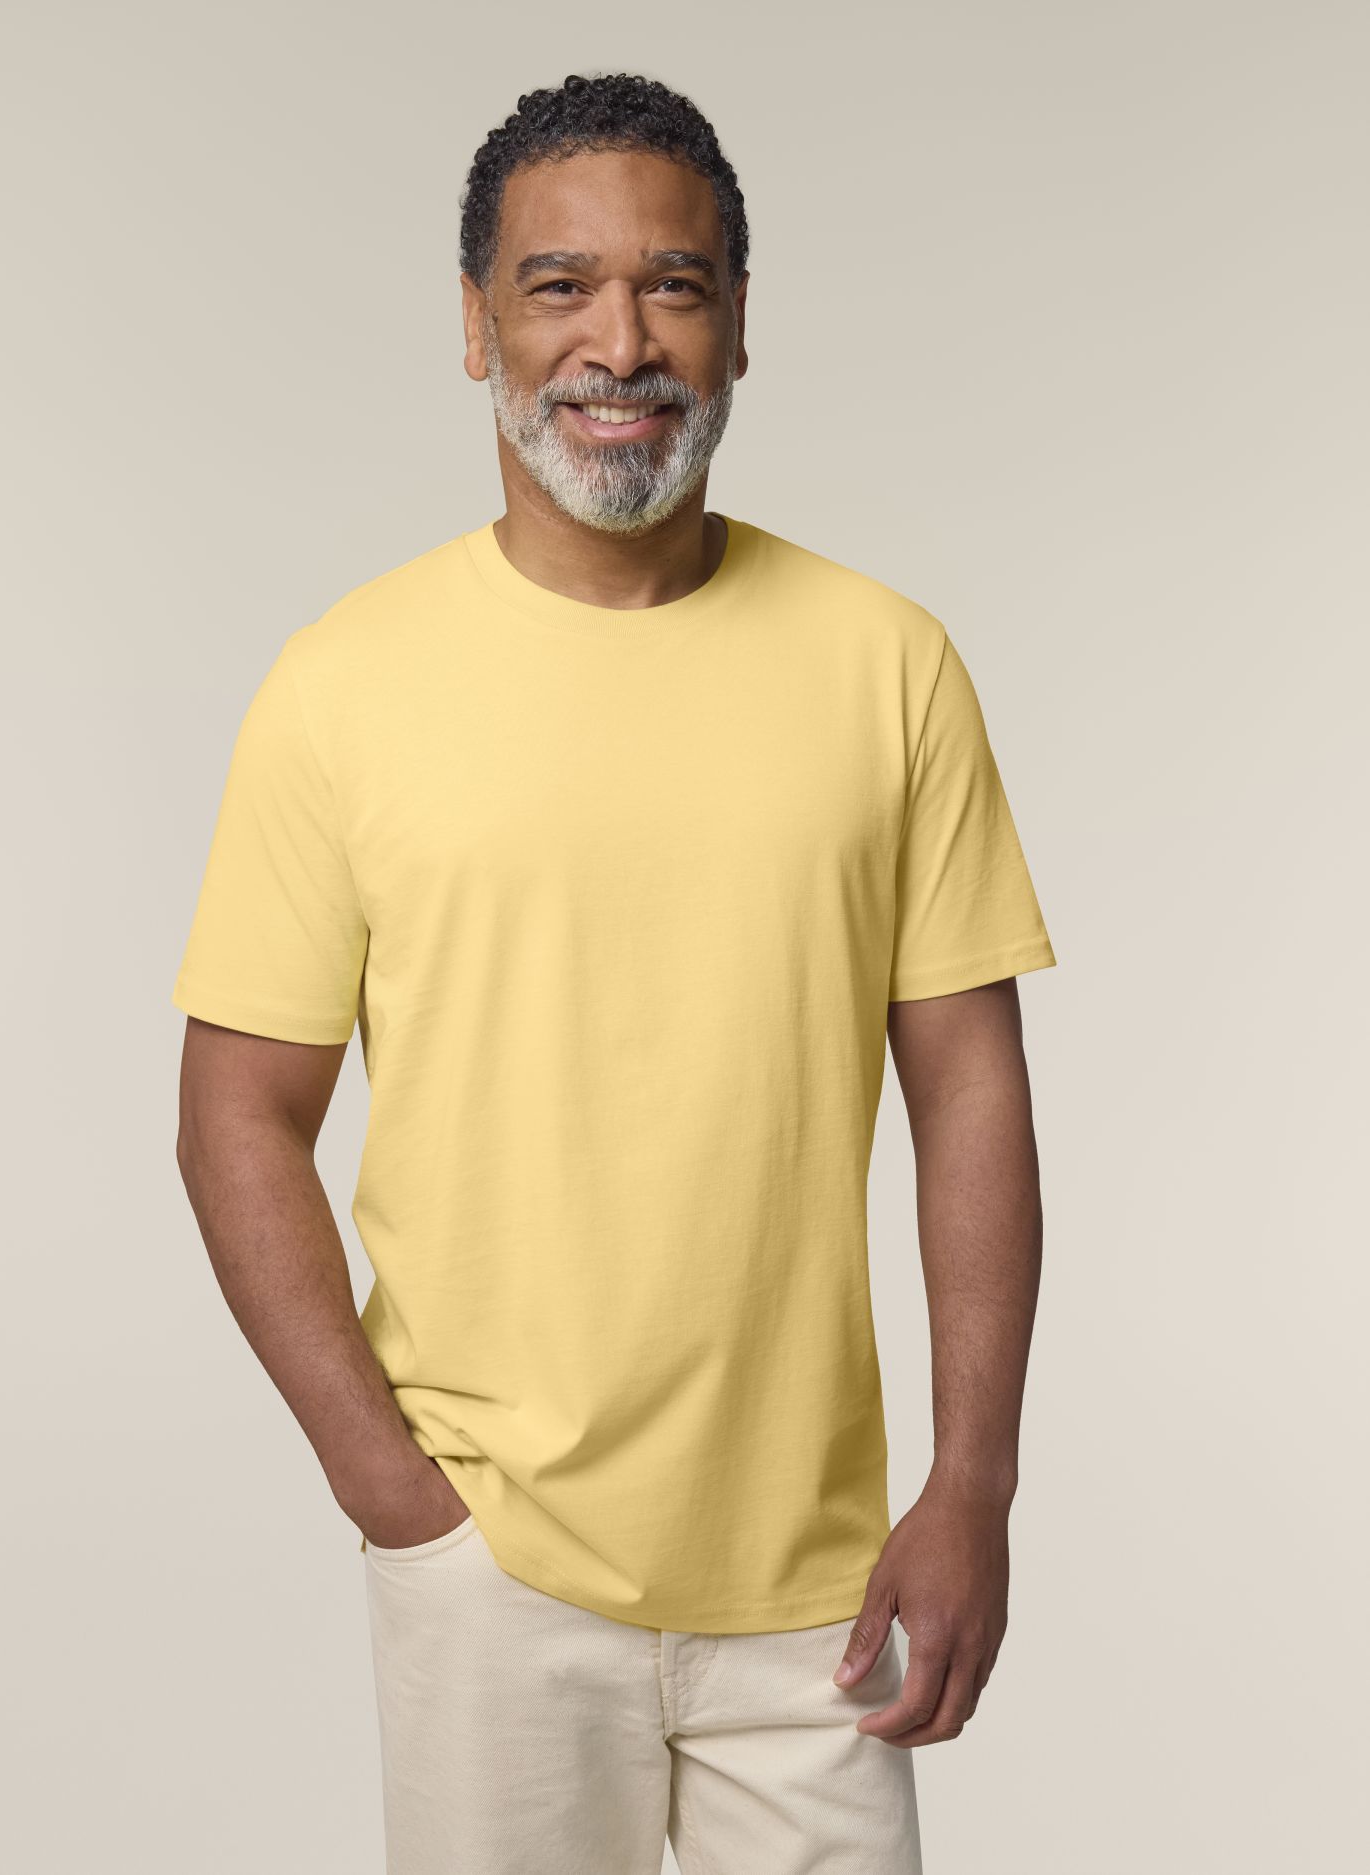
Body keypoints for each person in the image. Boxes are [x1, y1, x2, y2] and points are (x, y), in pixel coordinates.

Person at [172, 70, 1056, 1875]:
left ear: (739, 322)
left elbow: (970, 1087)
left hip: (821, 1590)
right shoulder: (343, 687)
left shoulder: (887, 664)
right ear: (477, 325)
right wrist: (394, 1497)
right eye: (560, 285)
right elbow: (235, 1118)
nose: (622, 342)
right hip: (491, 1568)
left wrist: (973, 1485)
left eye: (675, 285)